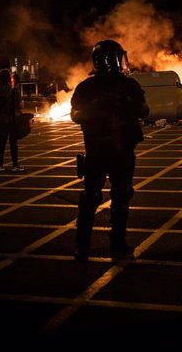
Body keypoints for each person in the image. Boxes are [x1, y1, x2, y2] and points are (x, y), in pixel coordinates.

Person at [70, 40, 149, 262]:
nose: (121, 62)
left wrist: (124, 102)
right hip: (97, 149)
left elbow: (144, 110)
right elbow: (76, 115)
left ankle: (118, 243)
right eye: (117, 57)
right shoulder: (87, 87)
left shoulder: (128, 85)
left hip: (123, 149)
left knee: (122, 197)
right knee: (90, 198)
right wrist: (98, 105)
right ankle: (82, 245)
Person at [0, 68, 24, 172]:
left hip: (1, 119)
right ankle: (15, 165)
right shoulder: (12, 91)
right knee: (13, 143)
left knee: (1, 143)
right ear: (9, 79)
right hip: (11, 119)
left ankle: (0, 165)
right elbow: (18, 105)